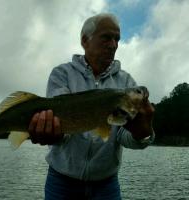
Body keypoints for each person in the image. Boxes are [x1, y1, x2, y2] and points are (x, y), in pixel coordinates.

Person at [28, 13, 155, 200]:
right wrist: (50, 133)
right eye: (106, 37)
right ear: (85, 41)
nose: (113, 45)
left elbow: (123, 136)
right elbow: (61, 128)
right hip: (61, 182)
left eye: (117, 39)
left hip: (106, 185)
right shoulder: (61, 74)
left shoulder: (126, 82)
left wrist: (142, 134)